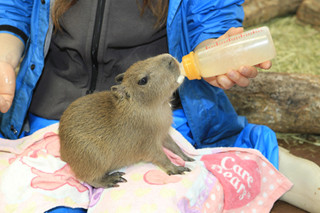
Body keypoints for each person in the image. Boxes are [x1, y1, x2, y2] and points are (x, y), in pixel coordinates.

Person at [0, 0, 319, 212]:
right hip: (49, 110)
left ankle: (261, 156)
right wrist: (5, 54)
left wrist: (215, 48)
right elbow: (12, 8)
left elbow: (211, 16)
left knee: (165, 196)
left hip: (166, 107)